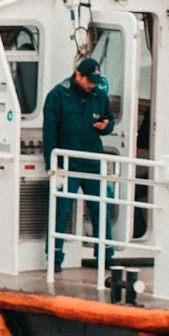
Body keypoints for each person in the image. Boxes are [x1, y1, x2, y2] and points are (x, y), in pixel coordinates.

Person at [42, 52, 112, 268]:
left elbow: (109, 120)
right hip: (67, 163)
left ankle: (105, 256)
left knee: (100, 208)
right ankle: (54, 258)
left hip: (92, 161)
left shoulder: (100, 97)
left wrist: (106, 126)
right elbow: (50, 132)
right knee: (61, 210)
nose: (92, 86)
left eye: (95, 82)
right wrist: (51, 164)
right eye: (89, 81)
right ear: (78, 75)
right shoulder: (58, 95)